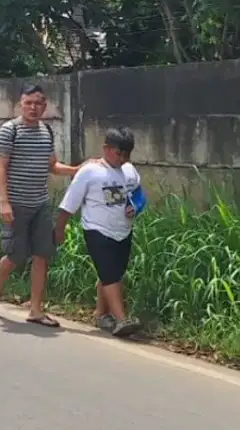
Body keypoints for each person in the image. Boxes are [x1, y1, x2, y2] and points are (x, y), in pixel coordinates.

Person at [0, 84, 81, 327]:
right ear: (21, 104)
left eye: (38, 103)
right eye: (29, 103)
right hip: (15, 204)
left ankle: (36, 310)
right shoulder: (10, 130)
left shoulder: (46, 132)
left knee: (41, 255)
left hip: (40, 204)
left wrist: (79, 169)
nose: (33, 108)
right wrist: (4, 202)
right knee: (16, 254)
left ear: (44, 106)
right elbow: (1, 167)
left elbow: (52, 166)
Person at [54, 127, 143, 337]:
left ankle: (102, 314)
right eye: (117, 153)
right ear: (106, 149)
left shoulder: (130, 171)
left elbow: (139, 195)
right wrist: (60, 229)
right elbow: (68, 204)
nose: (121, 158)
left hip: (123, 230)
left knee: (115, 273)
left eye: (126, 155)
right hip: (96, 230)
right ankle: (122, 319)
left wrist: (136, 207)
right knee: (110, 274)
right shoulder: (90, 172)